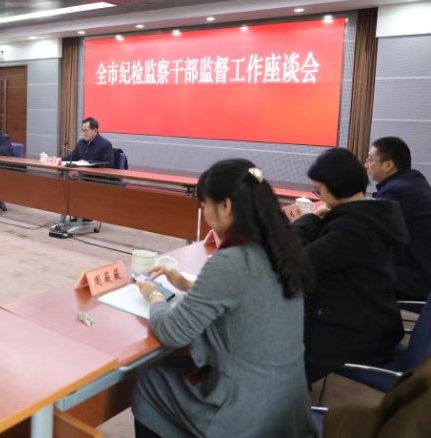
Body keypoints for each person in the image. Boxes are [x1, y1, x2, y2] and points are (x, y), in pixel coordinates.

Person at [133, 159, 316, 437]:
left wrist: (154, 295)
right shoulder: (281, 249)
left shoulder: (233, 260)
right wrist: (184, 283)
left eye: (205, 204)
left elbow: (172, 331)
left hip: (248, 414)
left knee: (149, 380)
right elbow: (248, 296)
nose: (204, 212)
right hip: (289, 406)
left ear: (226, 206)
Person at [294, 147, 406, 384]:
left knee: (274, 341)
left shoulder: (353, 228)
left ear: (335, 186)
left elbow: (297, 262)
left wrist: (309, 220)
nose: (319, 196)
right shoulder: (370, 215)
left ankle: (285, 399)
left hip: (357, 333)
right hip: (371, 320)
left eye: (319, 189)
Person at [366, 136, 431, 301]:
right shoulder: (414, 181)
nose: (366, 165)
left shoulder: (396, 191)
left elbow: (368, 233)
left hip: (409, 282)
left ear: (388, 165)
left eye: (370, 160)